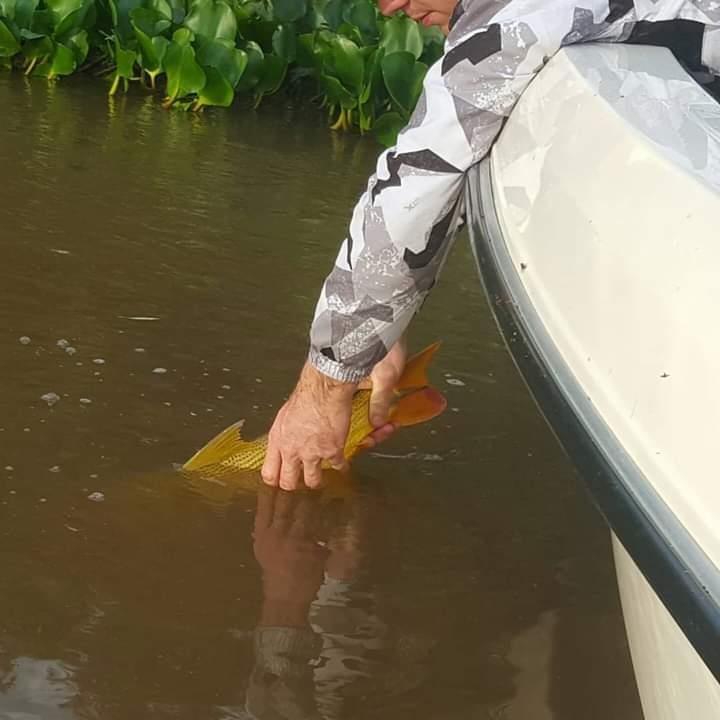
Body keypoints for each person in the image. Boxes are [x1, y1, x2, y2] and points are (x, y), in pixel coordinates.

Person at [262, 0, 720, 491]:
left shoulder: (515, 25)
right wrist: (377, 336)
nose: (390, 6)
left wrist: (322, 393)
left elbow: (413, 190)